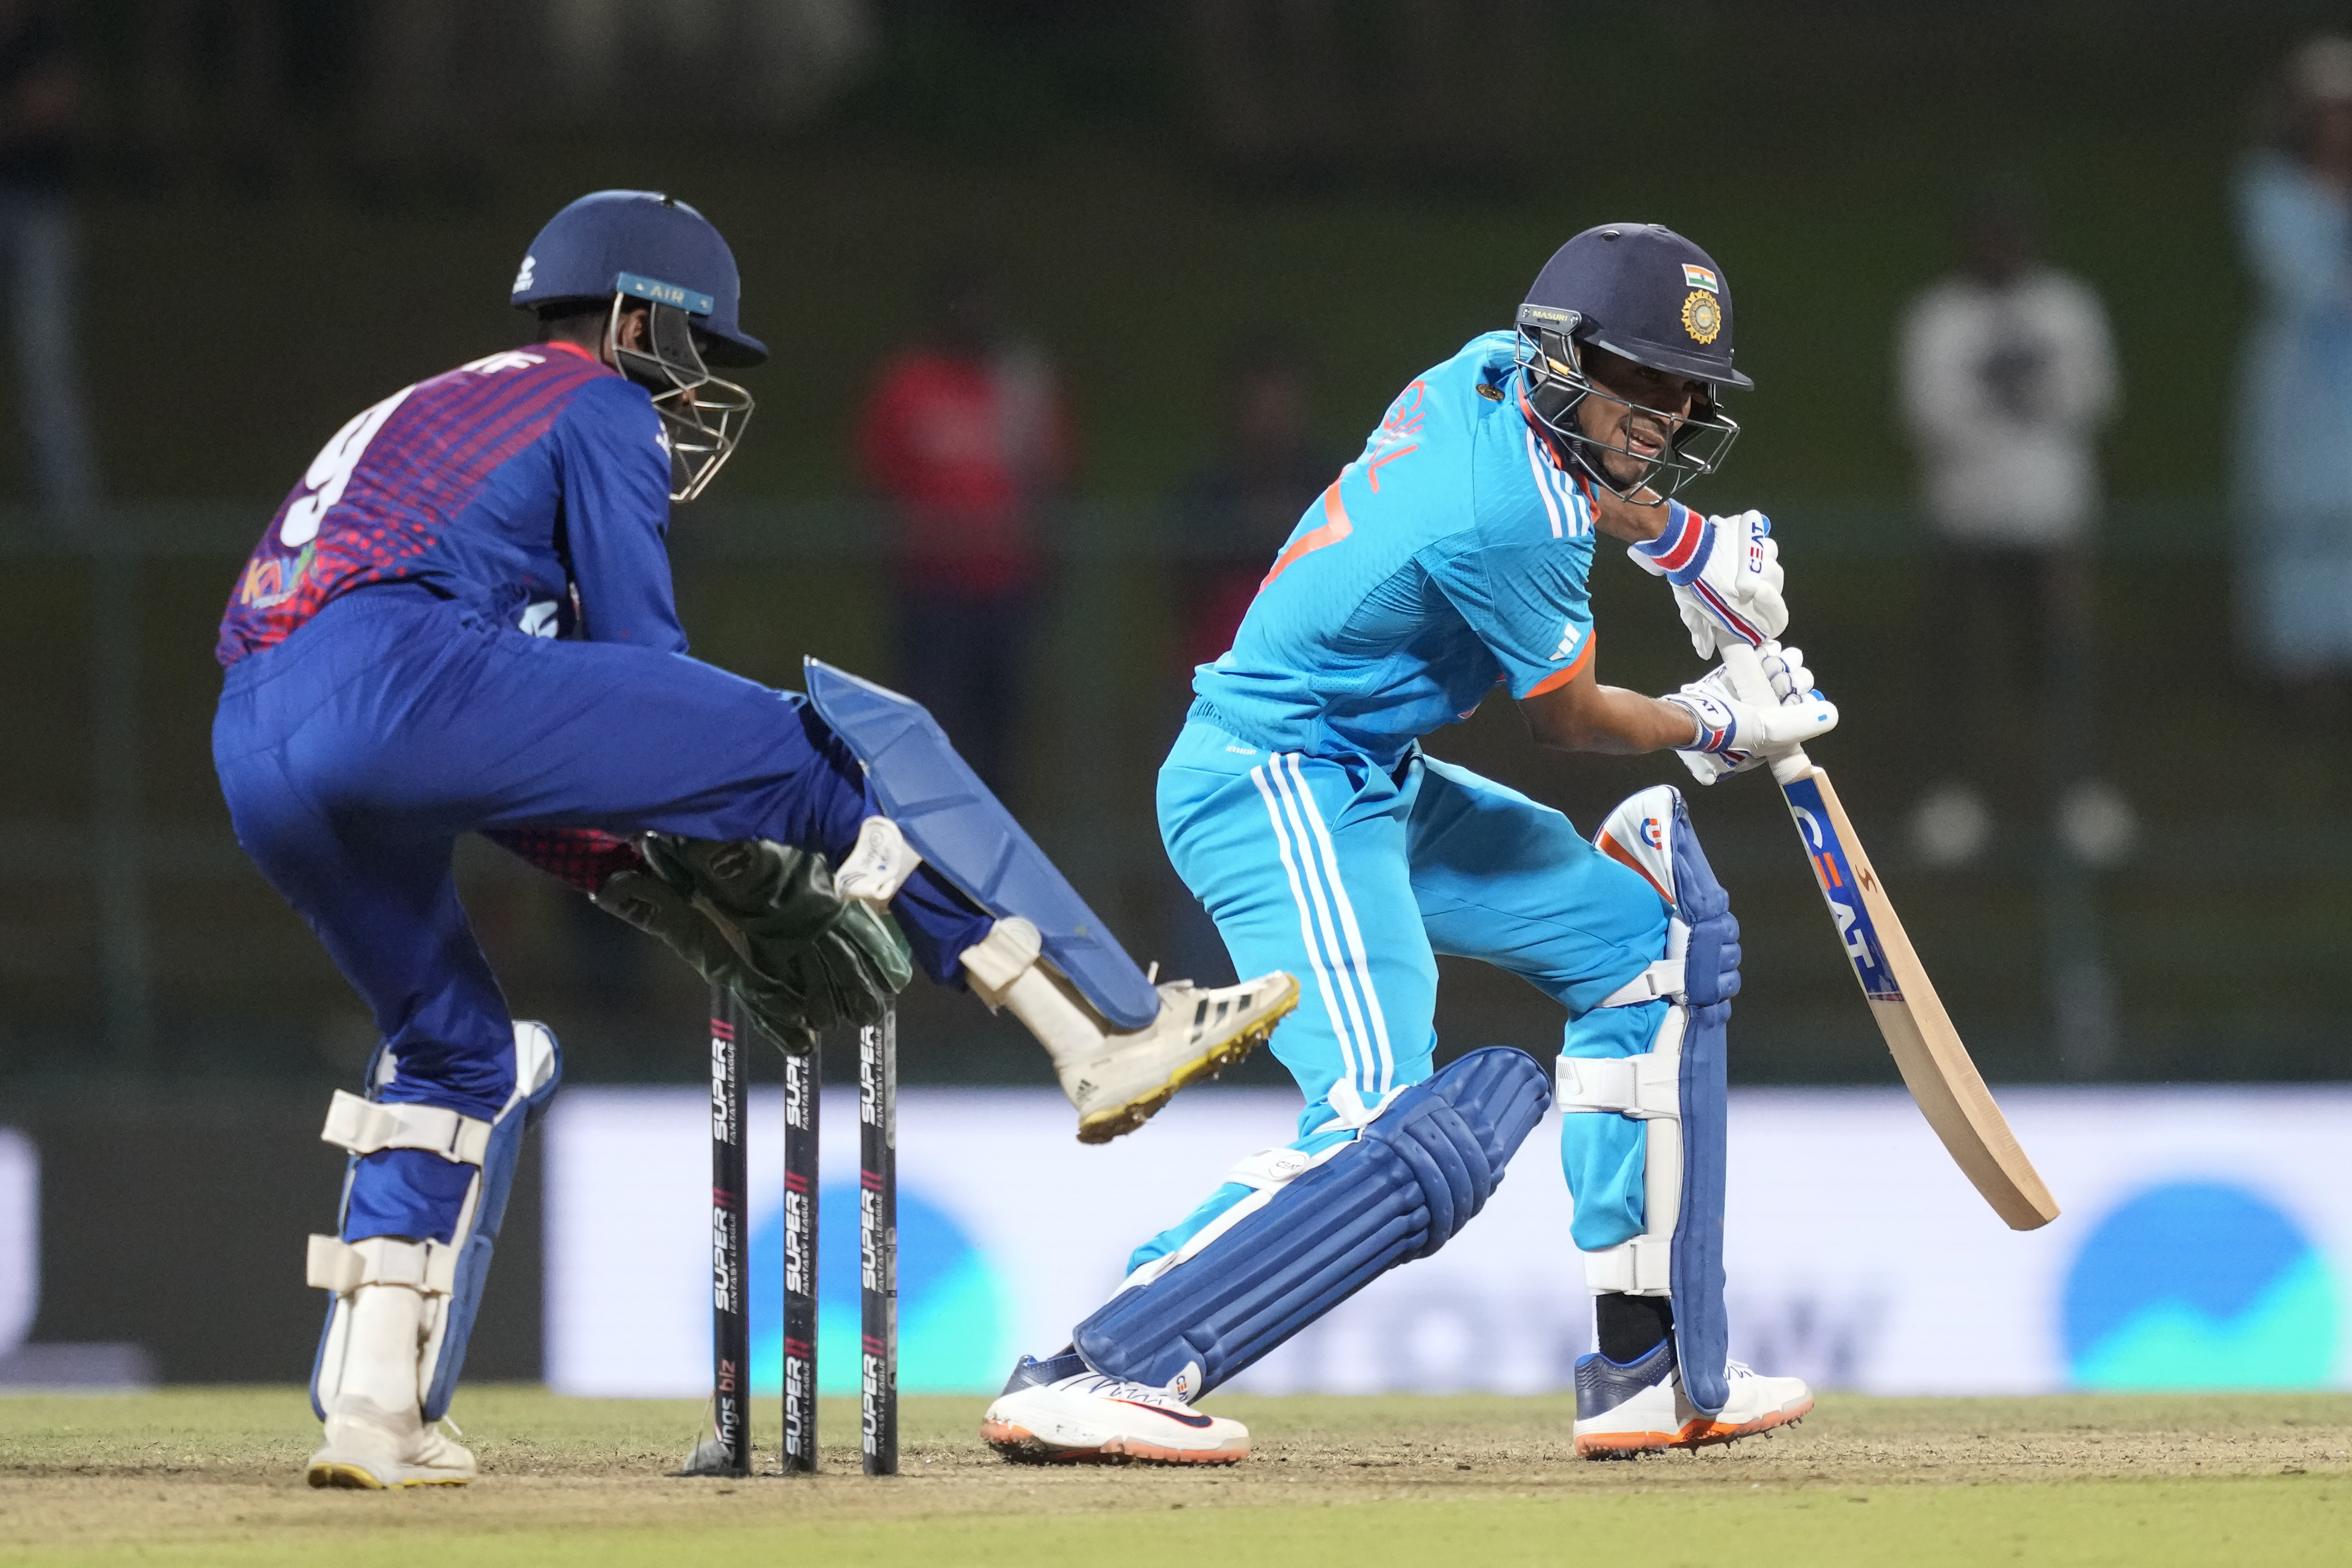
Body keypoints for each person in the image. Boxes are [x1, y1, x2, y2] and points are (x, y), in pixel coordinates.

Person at [210, 190, 1296, 1490]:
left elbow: (520, 754)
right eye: (694, 355)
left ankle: (373, 1414)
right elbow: (638, 664)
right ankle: (1101, 1031)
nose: (693, 394)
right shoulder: (596, 398)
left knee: (455, 1051)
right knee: (814, 745)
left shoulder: (436, 405)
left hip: (257, 735)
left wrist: (633, 873)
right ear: (633, 319)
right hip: (403, 673)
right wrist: (732, 840)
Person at [980, 223, 1833, 1465]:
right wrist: (1715, 718)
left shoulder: (1485, 368)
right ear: (1566, 358)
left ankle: (1647, 1364)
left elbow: (1592, 482)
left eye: (1689, 387)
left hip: (1371, 774)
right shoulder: (1512, 523)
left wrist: (1688, 546)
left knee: (1644, 949)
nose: (1674, 410)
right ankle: (1102, 1364)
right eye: (1644, 381)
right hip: (1272, 780)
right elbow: (1570, 718)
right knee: (1377, 1111)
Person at [1897, 192, 2121, 868]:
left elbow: (2094, 392)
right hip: (1964, 518)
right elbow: (1929, 412)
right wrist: (2016, 401)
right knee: (1960, 665)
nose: (2000, 252)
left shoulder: (2068, 307)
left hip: (2053, 518)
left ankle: (2079, 794)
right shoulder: (1937, 317)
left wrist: (2012, 398)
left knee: (2059, 661)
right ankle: (1955, 798)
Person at [855, 260, 1072, 804]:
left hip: (1007, 592)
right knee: (930, 728)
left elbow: (1054, 478)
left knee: (1002, 740)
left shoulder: (1020, 385)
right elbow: (876, 478)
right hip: (930, 593)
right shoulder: (908, 384)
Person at [2236, 36, 2352, 719]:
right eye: (2326, 111)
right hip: (2304, 382)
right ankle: (2302, 667)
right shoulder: (2269, 186)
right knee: (2301, 512)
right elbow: (2301, 279)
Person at [1170, 337, 1341, 680]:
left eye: (1282, 398)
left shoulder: (1330, 489)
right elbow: (1183, 591)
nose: (1271, 414)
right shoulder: (1208, 496)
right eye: (1260, 401)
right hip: (1221, 667)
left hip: (1312, 667)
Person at [0, 0, 93, 514]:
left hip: (38, 208)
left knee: (47, 358)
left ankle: (69, 507)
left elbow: (51, 108)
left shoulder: (43, 29)